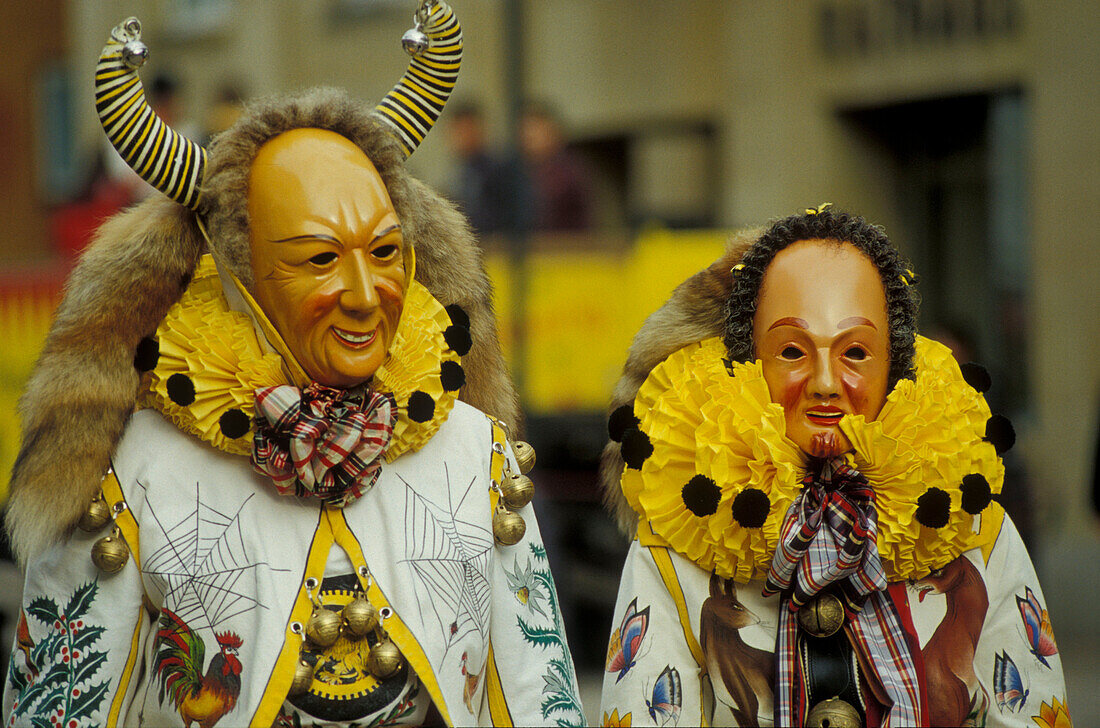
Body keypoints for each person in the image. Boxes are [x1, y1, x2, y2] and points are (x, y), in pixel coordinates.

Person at [4, 5, 583, 727]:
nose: (368, 297)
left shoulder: (472, 451)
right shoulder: (135, 471)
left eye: (383, 252)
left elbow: (538, 699)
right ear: (242, 276)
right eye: (318, 259)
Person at [598, 207, 1069, 726]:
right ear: (749, 360)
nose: (825, 382)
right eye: (794, 350)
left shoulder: (975, 530)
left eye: (856, 353)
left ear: (896, 363)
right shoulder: (680, 542)